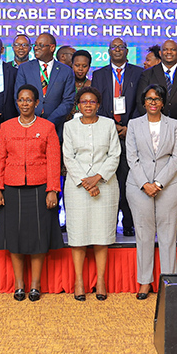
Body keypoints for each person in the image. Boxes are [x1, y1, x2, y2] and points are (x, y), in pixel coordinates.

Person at [0, 85, 63, 301]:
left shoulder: (48, 127)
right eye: (21, 100)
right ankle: (19, 284)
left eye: (29, 100)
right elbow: (0, 160)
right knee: (14, 237)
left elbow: (53, 161)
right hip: (11, 188)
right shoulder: (6, 127)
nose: (24, 103)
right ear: (17, 102)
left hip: (40, 188)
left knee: (39, 238)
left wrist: (52, 190)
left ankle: (35, 284)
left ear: (36, 103)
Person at [136, 39, 177, 239]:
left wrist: (173, 126)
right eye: (165, 50)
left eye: (173, 50)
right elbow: (142, 102)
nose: (169, 53)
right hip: (152, 132)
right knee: (155, 176)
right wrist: (159, 124)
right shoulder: (148, 74)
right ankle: (155, 225)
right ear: (161, 52)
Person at [126, 84, 177, 299]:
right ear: (144, 102)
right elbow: (132, 157)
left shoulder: (174, 124)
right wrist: (145, 184)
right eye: (149, 99)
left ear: (162, 102)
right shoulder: (133, 124)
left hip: (169, 185)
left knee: (168, 235)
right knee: (144, 234)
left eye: (157, 99)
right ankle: (144, 282)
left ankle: (168, 281)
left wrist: (158, 183)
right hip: (139, 186)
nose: (153, 102)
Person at [63, 87, 120, 300]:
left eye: (92, 101)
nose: (88, 105)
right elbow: (68, 157)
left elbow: (114, 155)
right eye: (84, 101)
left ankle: (101, 281)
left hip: (105, 185)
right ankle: (79, 280)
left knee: (101, 235)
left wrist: (97, 178)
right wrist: (86, 183)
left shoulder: (108, 124)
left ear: (98, 104)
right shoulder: (69, 126)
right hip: (77, 187)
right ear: (78, 104)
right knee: (78, 236)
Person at [92, 37, 144, 237]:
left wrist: (129, 126)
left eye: (121, 47)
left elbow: (142, 102)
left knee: (128, 180)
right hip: (108, 133)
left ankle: (129, 222)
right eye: (113, 47)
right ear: (108, 51)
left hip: (132, 133)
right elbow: (97, 103)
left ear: (127, 51)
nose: (117, 50)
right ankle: (109, 222)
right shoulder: (99, 74)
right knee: (108, 180)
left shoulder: (138, 73)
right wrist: (112, 125)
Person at [13, 32, 75, 138]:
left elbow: (68, 101)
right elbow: (18, 97)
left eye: (40, 45)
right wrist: (31, 120)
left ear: (52, 48)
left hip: (55, 128)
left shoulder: (66, 71)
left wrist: (49, 123)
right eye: (35, 45)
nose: (36, 48)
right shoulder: (25, 68)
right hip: (29, 127)